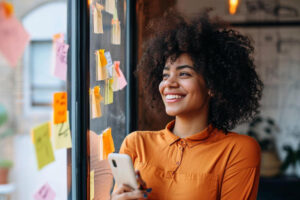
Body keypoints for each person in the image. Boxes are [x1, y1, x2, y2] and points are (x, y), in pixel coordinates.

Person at [112, 9, 263, 200]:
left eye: (184, 74)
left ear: (213, 86)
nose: (169, 83)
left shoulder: (238, 150)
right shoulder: (136, 144)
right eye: (165, 75)